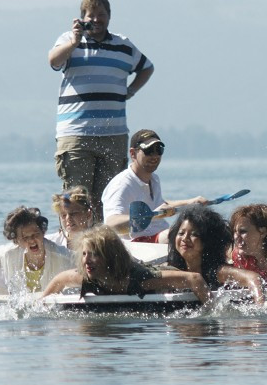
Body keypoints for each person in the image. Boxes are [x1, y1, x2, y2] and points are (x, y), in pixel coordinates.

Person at [48, 0, 154, 221]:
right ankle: (73, 245)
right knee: (75, 200)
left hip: (113, 135)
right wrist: (74, 41)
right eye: (90, 15)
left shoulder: (124, 45)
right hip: (76, 135)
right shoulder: (68, 40)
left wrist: (131, 90)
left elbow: (147, 67)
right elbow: (53, 60)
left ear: (109, 16)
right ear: (82, 17)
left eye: (101, 14)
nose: (96, 19)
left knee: (108, 199)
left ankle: (102, 249)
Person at [42, 225, 212, 303]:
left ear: (109, 257)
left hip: (155, 273)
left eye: (94, 255)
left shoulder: (142, 279)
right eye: (84, 254)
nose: (86, 260)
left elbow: (194, 279)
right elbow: (59, 280)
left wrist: (211, 312)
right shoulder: (87, 274)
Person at [102, 129, 207, 243]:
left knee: (203, 230)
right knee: (184, 235)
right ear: (133, 153)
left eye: (159, 150)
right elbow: (111, 224)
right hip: (138, 244)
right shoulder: (121, 185)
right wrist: (153, 215)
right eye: (149, 150)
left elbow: (160, 206)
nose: (155, 155)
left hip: (158, 238)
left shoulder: (154, 179)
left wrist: (190, 203)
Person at [164, 206, 265, 304]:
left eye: (194, 234)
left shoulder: (217, 272)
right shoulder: (171, 269)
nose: (185, 238)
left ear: (208, 241)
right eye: (181, 233)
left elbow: (253, 278)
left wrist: (260, 308)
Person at [0, 206, 75, 294]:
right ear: (16, 241)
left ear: (43, 232)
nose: (31, 240)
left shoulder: (61, 255)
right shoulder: (8, 254)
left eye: (36, 234)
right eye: (25, 237)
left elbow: (80, 263)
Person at [48, 185, 94, 249]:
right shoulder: (51, 243)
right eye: (63, 215)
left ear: (88, 214)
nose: (68, 218)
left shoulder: (98, 243)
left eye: (73, 213)